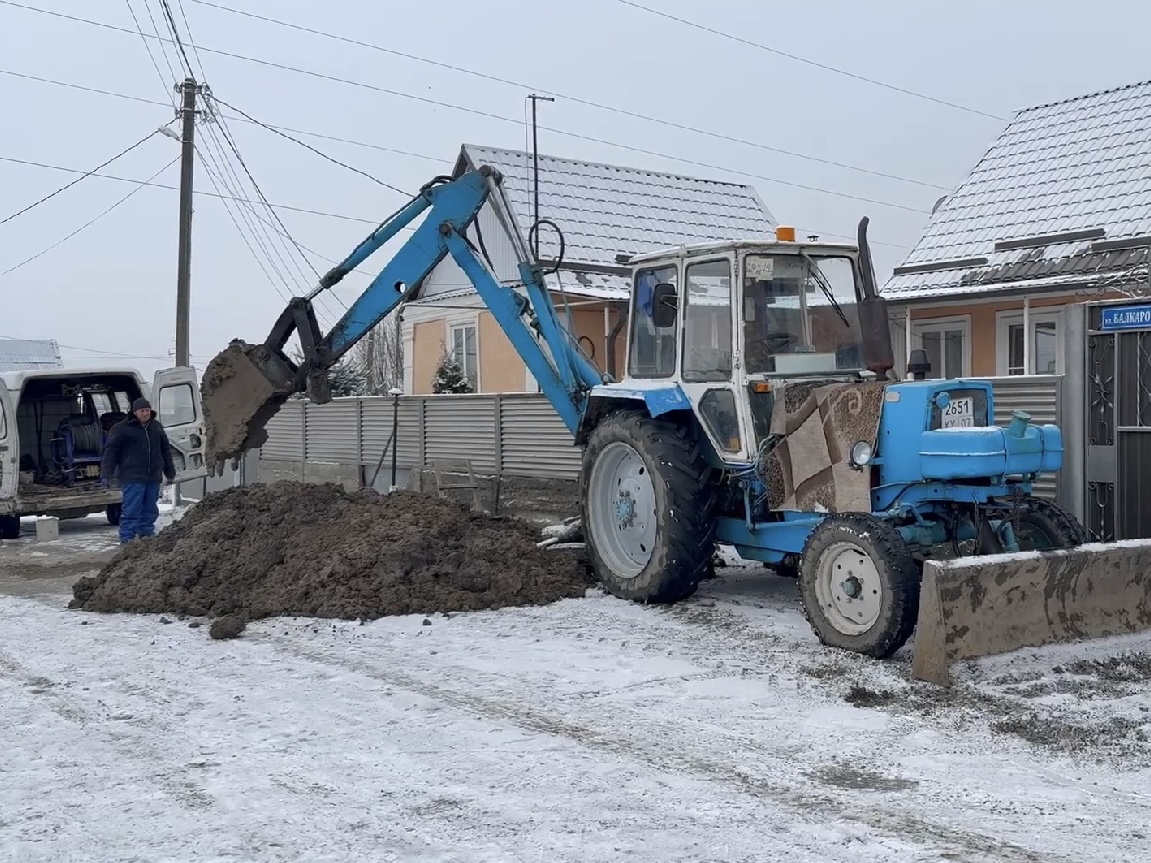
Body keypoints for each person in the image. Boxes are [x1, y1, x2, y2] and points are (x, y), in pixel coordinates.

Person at [100, 397, 177, 543]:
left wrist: (170, 472)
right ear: (135, 412)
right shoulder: (122, 429)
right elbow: (111, 452)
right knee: (131, 509)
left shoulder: (156, 427)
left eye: (148, 410)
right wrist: (106, 474)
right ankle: (127, 538)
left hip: (153, 476)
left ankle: (146, 535)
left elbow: (165, 451)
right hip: (132, 477)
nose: (146, 413)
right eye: (142, 411)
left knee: (150, 508)